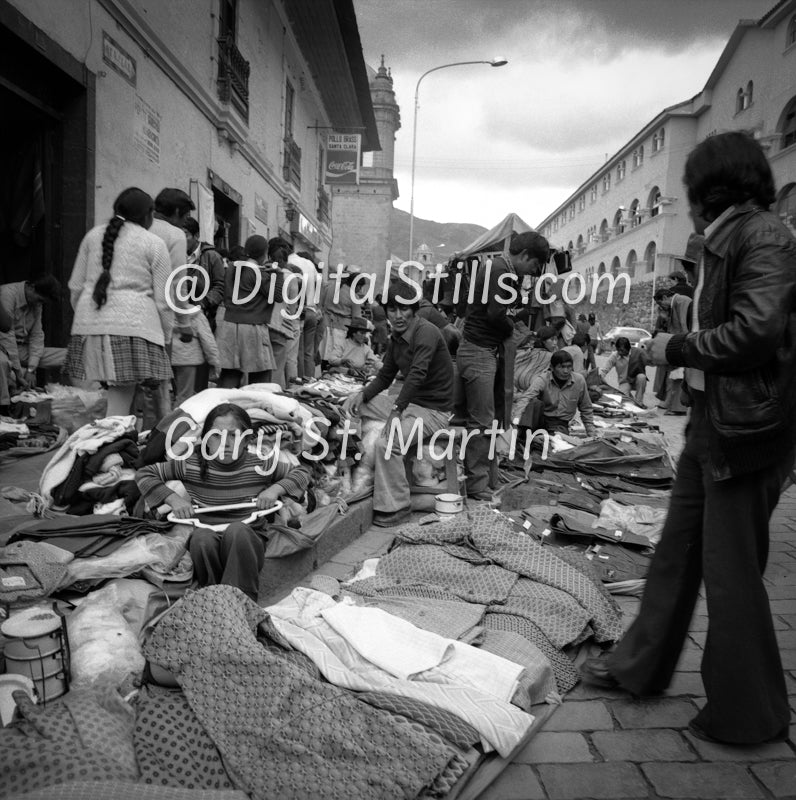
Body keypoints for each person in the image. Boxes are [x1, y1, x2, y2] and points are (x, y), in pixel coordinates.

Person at [580, 131, 796, 746]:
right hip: (713, 420)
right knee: (675, 553)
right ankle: (639, 666)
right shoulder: (726, 241)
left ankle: (749, 712)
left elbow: (755, 332)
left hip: (748, 429)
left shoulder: (764, 238)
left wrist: (673, 347)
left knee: (729, 573)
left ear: (709, 190)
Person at [135, 403, 310, 601]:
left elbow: (302, 473)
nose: (225, 442)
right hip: (208, 531)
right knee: (201, 539)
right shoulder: (190, 465)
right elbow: (145, 474)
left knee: (237, 531)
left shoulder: (260, 464)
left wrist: (274, 490)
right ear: (206, 440)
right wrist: (173, 499)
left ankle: (241, 604)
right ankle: (214, 600)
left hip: (247, 536)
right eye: (216, 436)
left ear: (246, 440)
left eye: (233, 435)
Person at [343, 282, 453, 527]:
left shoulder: (426, 332)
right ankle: (350, 459)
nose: (398, 315)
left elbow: (417, 374)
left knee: (387, 443)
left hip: (434, 410)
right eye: (392, 309)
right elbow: (385, 376)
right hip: (411, 403)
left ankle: (398, 506)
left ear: (413, 309)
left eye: (404, 309)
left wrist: (396, 410)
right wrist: (362, 394)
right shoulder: (396, 338)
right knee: (351, 406)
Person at [454, 231, 550, 500]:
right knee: (482, 421)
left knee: (491, 419)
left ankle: (486, 478)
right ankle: (476, 485)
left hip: (484, 351)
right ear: (525, 256)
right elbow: (496, 314)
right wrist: (516, 328)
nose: (532, 272)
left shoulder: (500, 269)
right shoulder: (499, 270)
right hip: (479, 352)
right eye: (533, 266)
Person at [65, 187, 173, 417]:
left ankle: (102, 445)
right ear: (148, 215)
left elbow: (75, 287)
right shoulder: (154, 243)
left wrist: (87, 319)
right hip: (133, 329)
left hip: (87, 329)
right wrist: (165, 336)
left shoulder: (92, 236)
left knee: (98, 405)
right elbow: (164, 301)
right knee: (118, 410)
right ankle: (110, 447)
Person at [215, 235, 284, 389]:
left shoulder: (232, 268)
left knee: (230, 375)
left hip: (230, 327)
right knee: (260, 379)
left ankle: (223, 407)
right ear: (265, 253)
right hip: (253, 328)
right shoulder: (258, 273)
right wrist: (278, 274)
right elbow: (278, 296)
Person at [0, 275, 66, 407]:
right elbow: (8, 336)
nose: (39, 304)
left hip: (22, 350)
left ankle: (90, 397)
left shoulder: (37, 303)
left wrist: (31, 370)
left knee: (68, 356)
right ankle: (4, 408)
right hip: (4, 347)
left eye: (42, 302)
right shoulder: (8, 294)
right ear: (31, 287)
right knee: (3, 363)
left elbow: (37, 336)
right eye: (39, 299)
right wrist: (19, 373)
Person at [523, 349, 597, 437]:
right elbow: (526, 397)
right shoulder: (543, 379)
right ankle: (522, 434)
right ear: (552, 368)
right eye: (561, 367)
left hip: (559, 424)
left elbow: (586, 408)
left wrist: (591, 433)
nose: (566, 371)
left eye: (569, 367)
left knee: (556, 442)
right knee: (533, 403)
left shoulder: (579, 381)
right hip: (540, 419)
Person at [266, 237, 301, 389]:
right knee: (279, 366)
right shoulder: (291, 278)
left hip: (264, 323)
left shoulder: (266, 272)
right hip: (282, 326)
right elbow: (293, 307)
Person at [170, 306, 220, 405]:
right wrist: (215, 362)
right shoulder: (196, 315)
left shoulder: (165, 312)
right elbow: (208, 341)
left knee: (173, 393)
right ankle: (181, 418)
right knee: (185, 396)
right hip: (188, 359)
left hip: (169, 356)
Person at [183, 216, 225, 333]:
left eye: (185, 235)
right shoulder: (176, 254)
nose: (181, 239)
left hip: (203, 317)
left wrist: (203, 304)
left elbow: (220, 286)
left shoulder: (212, 256)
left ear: (196, 236)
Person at [653, 288, 692, 414]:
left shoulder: (682, 301)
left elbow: (683, 325)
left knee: (677, 377)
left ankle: (678, 407)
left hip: (682, 344)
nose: (662, 306)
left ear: (664, 297)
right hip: (678, 343)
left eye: (661, 303)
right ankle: (671, 404)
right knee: (672, 375)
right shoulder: (674, 304)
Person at [511, 325, 557, 424]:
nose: (555, 343)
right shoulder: (550, 357)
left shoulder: (524, 353)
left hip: (513, 396)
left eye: (556, 339)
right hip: (529, 400)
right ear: (544, 341)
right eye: (552, 340)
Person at [320, 265, 362, 367]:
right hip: (342, 330)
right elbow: (357, 319)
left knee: (323, 356)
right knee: (336, 359)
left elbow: (320, 305)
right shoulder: (353, 296)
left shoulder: (328, 286)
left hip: (325, 325)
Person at [290, 250, 321, 381]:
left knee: (299, 352)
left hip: (301, 311)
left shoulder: (291, 262)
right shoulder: (311, 265)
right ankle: (310, 380)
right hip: (312, 312)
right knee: (309, 352)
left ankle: (300, 382)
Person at [599, 336, 648, 407]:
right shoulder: (615, 356)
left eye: (622, 350)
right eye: (618, 350)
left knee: (642, 377)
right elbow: (604, 370)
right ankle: (631, 399)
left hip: (636, 380)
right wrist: (598, 378)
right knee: (622, 401)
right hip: (625, 382)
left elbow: (649, 360)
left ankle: (639, 402)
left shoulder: (637, 353)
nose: (620, 352)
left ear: (628, 349)